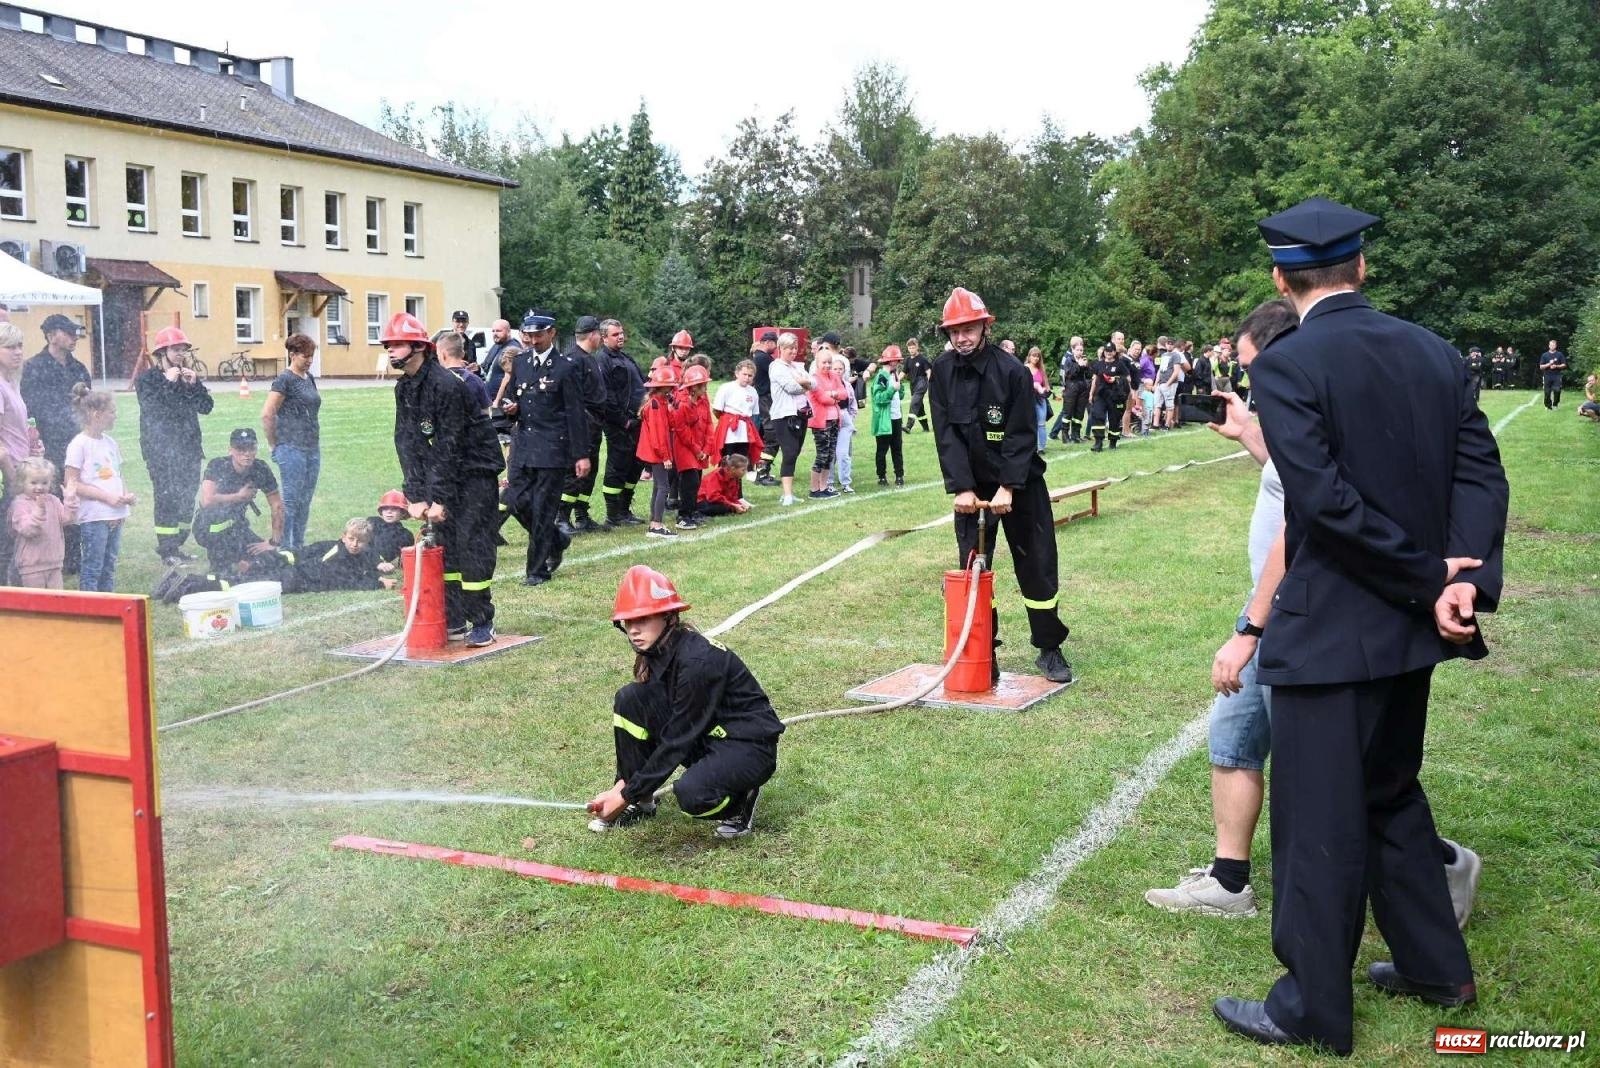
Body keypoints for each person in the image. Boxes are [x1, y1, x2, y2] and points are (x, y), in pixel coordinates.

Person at [1211, 198, 1509, 1056]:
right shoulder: (1433, 350)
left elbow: (1326, 507)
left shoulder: (1290, 365)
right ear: (1361, 268)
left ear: (1280, 277)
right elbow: (1480, 478)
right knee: (1388, 793)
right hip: (1413, 631)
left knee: (1316, 823)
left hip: (1335, 630)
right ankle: (1433, 967)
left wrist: (1431, 580)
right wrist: (1467, 578)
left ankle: (1311, 1008)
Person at [1146, 299, 1483, 927]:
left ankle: (1439, 867)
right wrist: (1249, 432)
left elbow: (1298, 528)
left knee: (1344, 777)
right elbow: (1288, 476)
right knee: (1234, 739)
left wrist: (1249, 628)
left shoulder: (1315, 398)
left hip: (1295, 616)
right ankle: (1230, 880)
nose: (1250, 382)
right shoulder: (1296, 405)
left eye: (1251, 367)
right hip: (1277, 610)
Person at [929, 287, 1075, 685]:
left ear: (984, 327)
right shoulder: (941, 372)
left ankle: (1049, 648)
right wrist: (961, 487)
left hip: (1021, 485)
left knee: (1037, 564)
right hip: (971, 490)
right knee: (975, 571)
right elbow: (946, 435)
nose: (962, 338)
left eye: (969, 329)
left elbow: (1021, 432)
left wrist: (1009, 487)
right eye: (954, 331)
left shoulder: (1012, 371)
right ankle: (982, 651)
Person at [587, 565, 784, 839]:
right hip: (706, 733)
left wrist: (622, 795)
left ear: (669, 616)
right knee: (629, 699)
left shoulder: (697, 662)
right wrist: (626, 786)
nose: (634, 629)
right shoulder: (659, 650)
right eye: (628, 622)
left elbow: (677, 740)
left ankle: (741, 800)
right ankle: (642, 801)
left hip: (747, 745)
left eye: (643, 618)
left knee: (692, 795)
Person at [387, 312, 504, 648]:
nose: (392, 350)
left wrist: (439, 498)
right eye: (389, 344)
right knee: (446, 548)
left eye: (398, 344)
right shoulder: (405, 388)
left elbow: (447, 445)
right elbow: (407, 442)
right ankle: (453, 616)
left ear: (419, 348)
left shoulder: (447, 385)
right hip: (447, 475)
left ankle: (482, 620)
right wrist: (415, 495)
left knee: (472, 546)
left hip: (474, 473)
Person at [499, 310, 590, 587]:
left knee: (542, 509)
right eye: (528, 335)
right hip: (523, 446)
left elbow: (575, 413)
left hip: (552, 449)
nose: (533, 340)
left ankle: (537, 570)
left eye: (538, 335)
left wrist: (581, 454)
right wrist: (511, 410)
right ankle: (557, 539)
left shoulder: (565, 367)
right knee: (513, 501)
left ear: (551, 333)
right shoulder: (521, 362)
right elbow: (514, 399)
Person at [134, 326, 214, 565]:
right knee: (167, 499)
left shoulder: (186, 376)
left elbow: (206, 407)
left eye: (183, 349)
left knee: (187, 498)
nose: (180, 354)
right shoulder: (147, 380)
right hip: (161, 451)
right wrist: (168, 384)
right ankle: (167, 550)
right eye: (175, 349)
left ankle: (178, 544)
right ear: (162, 352)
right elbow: (155, 410)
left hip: (189, 449)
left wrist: (194, 385)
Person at [21, 313, 92, 575]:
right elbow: (33, 405)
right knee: (54, 499)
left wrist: (84, 401)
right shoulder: (34, 366)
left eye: (76, 333)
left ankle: (75, 557)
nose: (75, 337)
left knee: (77, 497)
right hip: (50, 444)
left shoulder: (79, 368)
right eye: (69, 332)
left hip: (79, 442)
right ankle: (56, 557)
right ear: (51, 335)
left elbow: (89, 406)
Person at [185, 427, 290, 586]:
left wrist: (274, 542)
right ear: (231, 450)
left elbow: (277, 505)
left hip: (237, 527)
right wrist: (238, 497)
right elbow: (206, 500)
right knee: (226, 573)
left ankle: (242, 562)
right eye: (241, 449)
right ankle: (222, 562)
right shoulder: (218, 465)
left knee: (270, 559)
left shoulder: (260, 468)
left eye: (251, 448)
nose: (247, 454)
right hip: (209, 528)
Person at [63, 384, 133, 592]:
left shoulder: (110, 442)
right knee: (93, 566)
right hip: (95, 516)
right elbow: (72, 483)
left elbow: (117, 474)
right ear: (96, 414)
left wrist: (125, 495)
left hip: (115, 513)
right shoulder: (79, 444)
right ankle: (90, 611)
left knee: (109, 566)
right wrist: (106, 498)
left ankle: (108, 609)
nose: (115, 416)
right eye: (112, 412)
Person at [261, 333, 322, 550]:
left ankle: (298, 545)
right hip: (291, 448)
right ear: (292, 354)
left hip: (312, 448)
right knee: (291, 501)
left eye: (312, 356)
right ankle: (285, 548)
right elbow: (267, 415)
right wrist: (274, 444)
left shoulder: (310, 378)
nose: (310, 360)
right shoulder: (284, 380)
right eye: (305, 356)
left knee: (305, 501)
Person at [559, 315, 608, 535]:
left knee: (591, 470)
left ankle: (582, 514)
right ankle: (561, 517)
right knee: (575, 471)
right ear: (592, 335)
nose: (601, 338)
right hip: (582, 424)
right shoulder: (573, 359)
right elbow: (572, 397)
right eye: (600, 333)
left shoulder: (589, 358)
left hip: (595, 424)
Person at [596, 320, 647, 528]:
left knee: (635, 465)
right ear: (604, 338)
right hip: (619, 423)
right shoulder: (602, 359)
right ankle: (613, 514)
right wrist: (623, 420)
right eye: (615, 334)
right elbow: (606, 395)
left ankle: (625, 509)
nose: (621, 336)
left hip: (637, 421)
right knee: (617, 465)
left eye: (622, 333)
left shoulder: (625, 357)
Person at [0, 322, 35, 584]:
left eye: (20, 345)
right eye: (10, 347)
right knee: (6, 544)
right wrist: (13, 478)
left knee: (16, 544)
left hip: (22, 468)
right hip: (7, 476)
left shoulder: (12, 383)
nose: (17, 352)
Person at [8, 456, 77, 588]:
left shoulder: (53, 500)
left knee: (56, 602)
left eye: (44, 483)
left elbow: (67, 519)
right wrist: (39, 511)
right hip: (31, 566)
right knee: (35, 604)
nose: (39, 487)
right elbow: (28, 530)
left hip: (55, 562)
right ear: (22, 483)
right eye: (34, 483)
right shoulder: (19, 504)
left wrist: (70, 500)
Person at [283, 517, 395, 593]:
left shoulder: (360, 552)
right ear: (344, 537)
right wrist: (380, 584)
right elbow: (350, 581)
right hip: (295, 578)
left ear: (367, 541)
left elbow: (363, 566)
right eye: (351, 539)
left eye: (360, 541)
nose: (354, 544)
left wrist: (378, 573)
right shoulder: (338, 555)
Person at [766, 332, 813, 506]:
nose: (793, 352)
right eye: (789, 349)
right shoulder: (776, 367)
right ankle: (786, 494)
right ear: (780, 349)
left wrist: (804, 382)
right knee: (790, 452)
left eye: (795, 348)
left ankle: (789, 493)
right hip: (784, 415)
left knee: (796, 452)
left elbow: (814, 383)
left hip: (801, 414)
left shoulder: (797, 366)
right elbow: (791, 387)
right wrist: (804, 383)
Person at [635, 364, 679, 538]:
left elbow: (671, 424)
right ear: (663, 387)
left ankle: (655, 521)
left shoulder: (659, 403)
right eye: (670, 386)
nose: (672, 389)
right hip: (656, 452)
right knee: (663, 487)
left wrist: (671, 408)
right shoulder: (654, 405)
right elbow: (659, 434)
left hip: (655, 452)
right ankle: (656, 525)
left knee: (658, 487)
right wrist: (665, 457)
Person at [672, 364, 713, 528]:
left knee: (697, 479)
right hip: (686, 448)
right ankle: (683, 516)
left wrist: (707, 448)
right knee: (690, 481)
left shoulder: (703, 400)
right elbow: (682, 431)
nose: (705, 387)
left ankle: (692, 511)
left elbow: (709, 423)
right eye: (703, 385)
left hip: (700, 448)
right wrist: (697, 450)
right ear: (693, 387)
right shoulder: (682, 404)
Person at [806, 342, 847, 499]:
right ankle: (814, 489)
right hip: (821, 422)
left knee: (830, 455)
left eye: (829, 362)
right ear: (817, 363)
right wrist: (833, 396)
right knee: (821, 455)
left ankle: (824, 486)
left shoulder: (835, 376)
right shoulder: (814, 379)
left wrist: (833, 394)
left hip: (835, 421)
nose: (827, 365)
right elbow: (821, 398)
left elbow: (844, 394)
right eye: (824, 362)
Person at [711, 358, 761, 465]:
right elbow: (717, 410)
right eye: (744, 374)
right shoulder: (726, 387)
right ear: (737, 373)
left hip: (745, 431)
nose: (747, 378)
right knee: (726, 460)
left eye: (750, 375)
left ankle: (737, 482)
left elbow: (755, 413)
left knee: (741, 463)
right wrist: (727, 420)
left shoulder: (753, 391)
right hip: (729, 429)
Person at [1085, 342, 1134, 452]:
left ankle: (1113, 441)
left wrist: (1115, 379)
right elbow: (1095, 380)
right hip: (1100, 395)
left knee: (1114, 418)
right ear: (1104, 352)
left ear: (1114, 352)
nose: (1109, 353)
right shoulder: (1098, 364)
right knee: (1097, 415)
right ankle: (1098, 442)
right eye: (1107, 351)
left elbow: (1128, 379)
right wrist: (1091, 394)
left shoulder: (1120, 364)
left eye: (1111, 351)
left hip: (1115, 396)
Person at [871, 345, 906, 486]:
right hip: (885, 420)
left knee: (897, 448)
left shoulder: (895, 374)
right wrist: (892, 389)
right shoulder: (882, 376)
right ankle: (882, 476)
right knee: (882, 450)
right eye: (897, 360)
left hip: (896, 418)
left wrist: (900, 387)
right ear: (891, 361)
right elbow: (879, 398)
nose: (898, 363)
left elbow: (901, 395)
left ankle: (899, 476)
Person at [751, 329, 780, 485]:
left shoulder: (760, 357)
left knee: (768, 435)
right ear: (768, 342)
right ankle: (762, 474)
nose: (776, 347)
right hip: (766, 400)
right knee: (772, 435)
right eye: (775, 344)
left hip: (764, 400)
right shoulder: (763, 358)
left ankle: (762, 471)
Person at [437, 333, 491, 414]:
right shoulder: (476, 381)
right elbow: (486, 413)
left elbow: (426, 419)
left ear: (443, 355)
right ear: (463, 354)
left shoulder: (435, 382)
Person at [1050, 337, 1089, 443]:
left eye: (1081, 350)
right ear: (1073, 350)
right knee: (1067, 413)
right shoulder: (1068, 360)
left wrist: (1085, 366)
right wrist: (1078, 366)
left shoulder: (1084, 359)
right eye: (1077, 350)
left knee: (1079, 413)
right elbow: (1070, 374)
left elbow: (1087, 374)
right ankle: (1065, 436)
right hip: (1071, 389)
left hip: (1082, 389)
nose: (1080, 352)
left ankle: (1075, 435)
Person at [831, 352, 859, 493]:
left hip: (845, 419)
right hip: (830, 420)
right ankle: (828, 482)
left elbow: (852, 403)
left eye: (840, 369)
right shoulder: (828, 384)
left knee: (843, 453)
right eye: (835, 369)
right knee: (830, 453)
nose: (837, 371)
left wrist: (850, 417)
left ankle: (845, 483)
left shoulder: (847, 385)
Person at [367, 490, 416, 568]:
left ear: (403, 512)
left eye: (394, 509)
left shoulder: (406, 535)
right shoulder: (374, 523)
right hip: (370, 559)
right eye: (385, 509)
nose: (389, 512)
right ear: (381, 511)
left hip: (391, 563)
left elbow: (406, 560)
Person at [1024, 347, 1051, 452]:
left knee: (1041, 423)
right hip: (1028, 399)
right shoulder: (1024, 368)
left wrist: (1043, 389)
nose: (1036, 358)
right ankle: (1030, 445)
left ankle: (1041, 447)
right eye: (1033, 356)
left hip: (1040, 400)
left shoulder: (1041, 370)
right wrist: (1033, 385)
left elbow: (1047, 387)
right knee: (1029, 424)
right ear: (1029, 356)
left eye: (1038, 356)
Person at [903, 337, 933, 432]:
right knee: (919, 408)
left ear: (917, 347)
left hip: (922, 382)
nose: (911, 350)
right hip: (913, 383)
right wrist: (896, 380)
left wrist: (931, 384)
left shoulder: (922, 359)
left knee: (914, 402)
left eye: (913, 347)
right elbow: (903, 372)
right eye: (910, 348)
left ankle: (908, 426)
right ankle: (926, 428)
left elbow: (928, 372)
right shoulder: (907, 360)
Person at [1539, 339, 1568, 410]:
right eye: (1551, 345)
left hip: (1557, 375)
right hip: (1547, 375)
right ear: (1549, 346)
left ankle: (1555, 404)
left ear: (1556, 346)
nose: (1552, 346)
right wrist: (1549, 364)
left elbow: (1564, 364)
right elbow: (1541, 367)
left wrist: (1556, 366)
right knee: (1547, 392)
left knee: (1557, 390)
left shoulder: (1559, 354)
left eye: (1553, 345)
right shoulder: (1544, 355)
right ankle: (1548, 406)